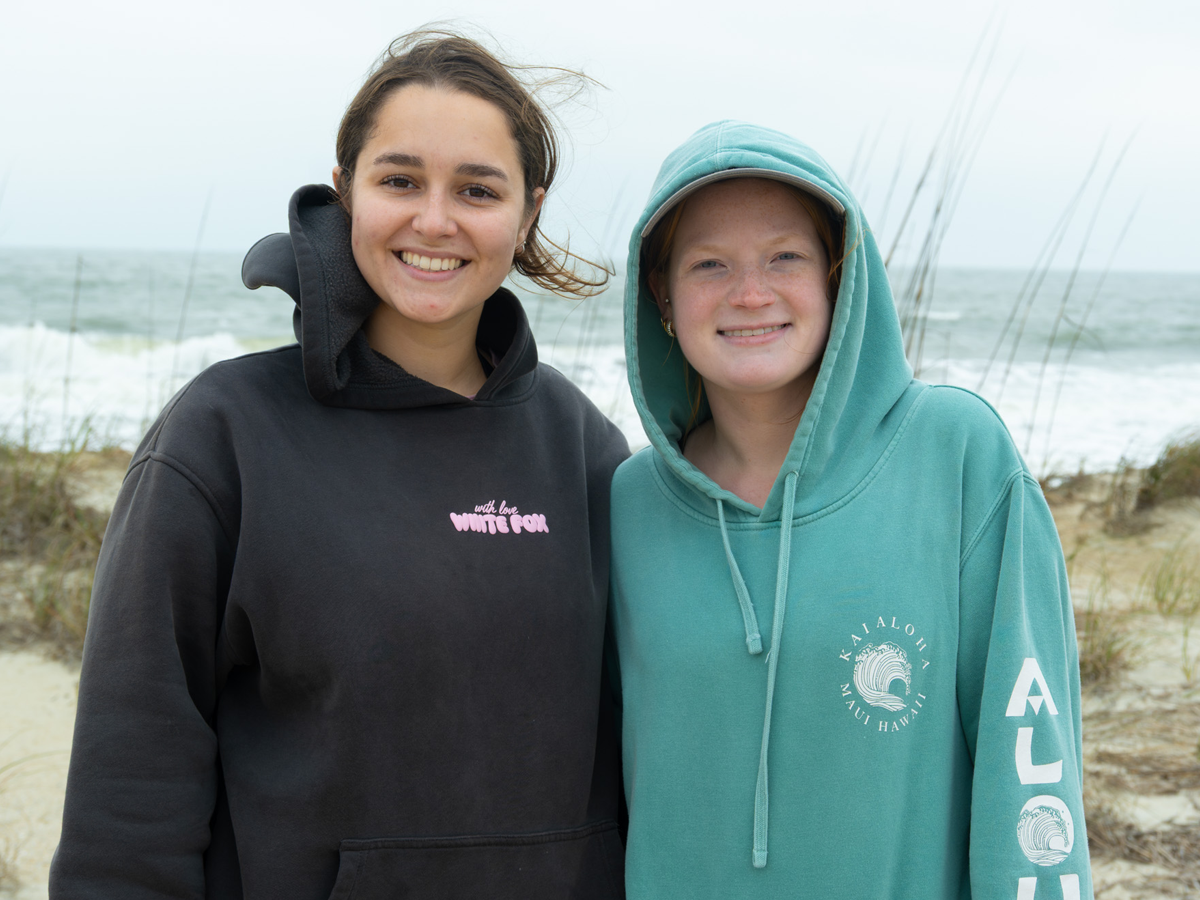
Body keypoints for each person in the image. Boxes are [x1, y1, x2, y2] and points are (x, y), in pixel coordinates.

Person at [51, 32, 628, 900]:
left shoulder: (583, 448)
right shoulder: (225, 435)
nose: (435, 220)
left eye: (477, 189)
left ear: (528, 212)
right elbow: (132, 780)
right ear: (344, 189)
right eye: (400, 180)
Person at [609, 121, 1092, 898]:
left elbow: (1032, 769)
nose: (751, 293)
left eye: (785, 257)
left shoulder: (957, 454)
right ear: (662, 295)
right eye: (709, 264)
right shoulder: (628, 504)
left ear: (840, 275)